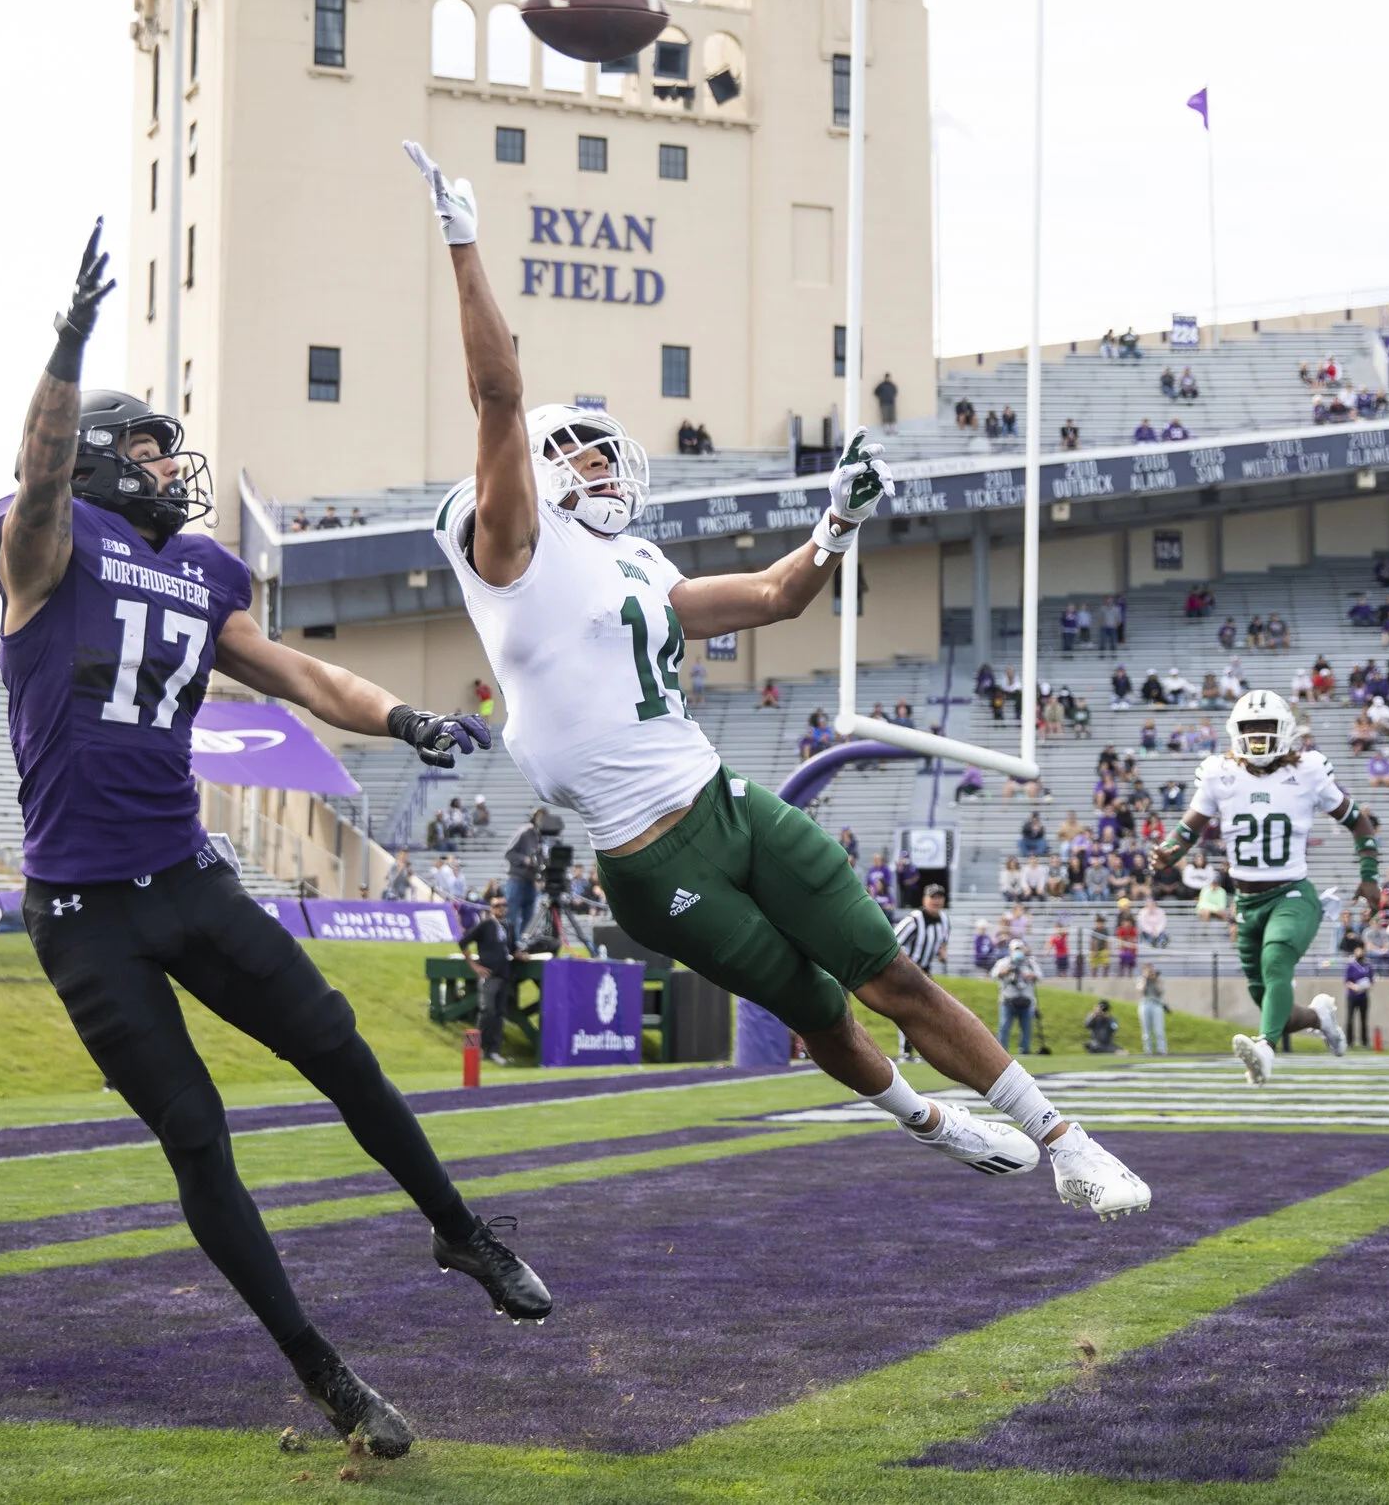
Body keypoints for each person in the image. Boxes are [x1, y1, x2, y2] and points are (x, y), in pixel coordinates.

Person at [403, 140, 1145, 1218]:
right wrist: (465, 242)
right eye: (593, 457)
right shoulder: (513, 553)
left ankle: (1065, 1139)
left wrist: (835, 523)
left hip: (726, 802)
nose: (610, 470)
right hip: (651, 862)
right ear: (544, 472)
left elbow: (771, 598)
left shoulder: (635, 562)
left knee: (889, 971)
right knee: (820, 1005)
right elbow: (497, 393)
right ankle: (927, 1121)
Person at [0, 218, 545, 1455]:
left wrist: (403, 717)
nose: (168, 465)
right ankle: (328, 1375)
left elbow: (292, 671)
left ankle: (460, 1226)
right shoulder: (46, 550)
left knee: (338, 1046)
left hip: (184, 875)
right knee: (197, 1133)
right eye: (146, 447)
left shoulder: (200, 571)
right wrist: (68, 344)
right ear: (97, 459)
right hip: (86, 913)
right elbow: (36, 475)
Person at [1154, 690, 1380, 1086]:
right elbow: (1189, 827)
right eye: (1249, 727)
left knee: (1276, 964)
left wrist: (1369, 875)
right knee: (1270, 1002)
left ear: (1285, 730)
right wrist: (1170, 850)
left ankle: (1264, 1050)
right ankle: (1317, 1017)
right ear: (1235, 731)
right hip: (1247, 904)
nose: (1257, 734)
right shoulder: (1220, 773)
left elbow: (1358, 821)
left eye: (1266, 726)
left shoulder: (1308, 771)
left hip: (1293, 894)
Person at [457, 891, 520, 1066]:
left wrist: (521, 954)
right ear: (491, 908)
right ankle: (475, 1049)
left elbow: (512, 949)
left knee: (499, 1014)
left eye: (504, 906)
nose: (501, 909)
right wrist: (474, 966)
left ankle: (493, 1050)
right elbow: (463, 942)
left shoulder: (509, 926)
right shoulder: (485, 925)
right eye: (497, 906)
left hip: (504, 974)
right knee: (487, 1012)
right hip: (489, 975)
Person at [892, 883, 952, 1061]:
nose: (936, 901)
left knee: (933, 1010)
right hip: (908, 970)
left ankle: (928, 1051)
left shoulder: (944, 920)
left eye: (940, 897)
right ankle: (906, 1051)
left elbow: (943, 943)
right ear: (924, 899)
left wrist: (942, 952)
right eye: (933, 897)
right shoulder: (914, 920)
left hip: (925, 970)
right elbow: (893, 940)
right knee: (909, 1011)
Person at [993, 944, 1039, 1054]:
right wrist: (1005, 971)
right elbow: (994, 974)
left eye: (1020, 949)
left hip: (1026, 1000)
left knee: (1026, 1028)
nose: (1018, 952)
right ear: (1011, 950)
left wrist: (1030, 975)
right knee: (1004, 1026)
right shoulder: (1004, 962)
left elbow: (1039, 975)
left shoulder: (1029, 963)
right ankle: (1002, 1051)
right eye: (1016, 949)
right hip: (1008, 1000)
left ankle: (1025, 1050)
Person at [1342, 946, 1373, 1049]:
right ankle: (1349, 1042)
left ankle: (1364, 1042)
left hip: (1363, 996)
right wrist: (1353, 986)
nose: (1360, 953)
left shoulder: (1368, 966)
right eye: (1358, 951)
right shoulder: (1351, 966)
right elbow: (1347, 981)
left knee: (1364, 1020)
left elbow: (1371, 981)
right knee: (1350, 1019)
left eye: (1361, 951)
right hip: (1352, 996)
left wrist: (1368, 986)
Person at [1135, 962, 1168, 1055]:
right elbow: (1141, 991)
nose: (1150, 972)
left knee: (1159, 1029)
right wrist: (1145, 978)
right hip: (1145, 1004)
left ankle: (1162, 1049)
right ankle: (1148, 1049)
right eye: (1148, 970)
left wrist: (1156, 980)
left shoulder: (1158, 980)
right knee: (1146, 1029)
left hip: (1156, 1004)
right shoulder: (1140, 979)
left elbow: (1160, 992)